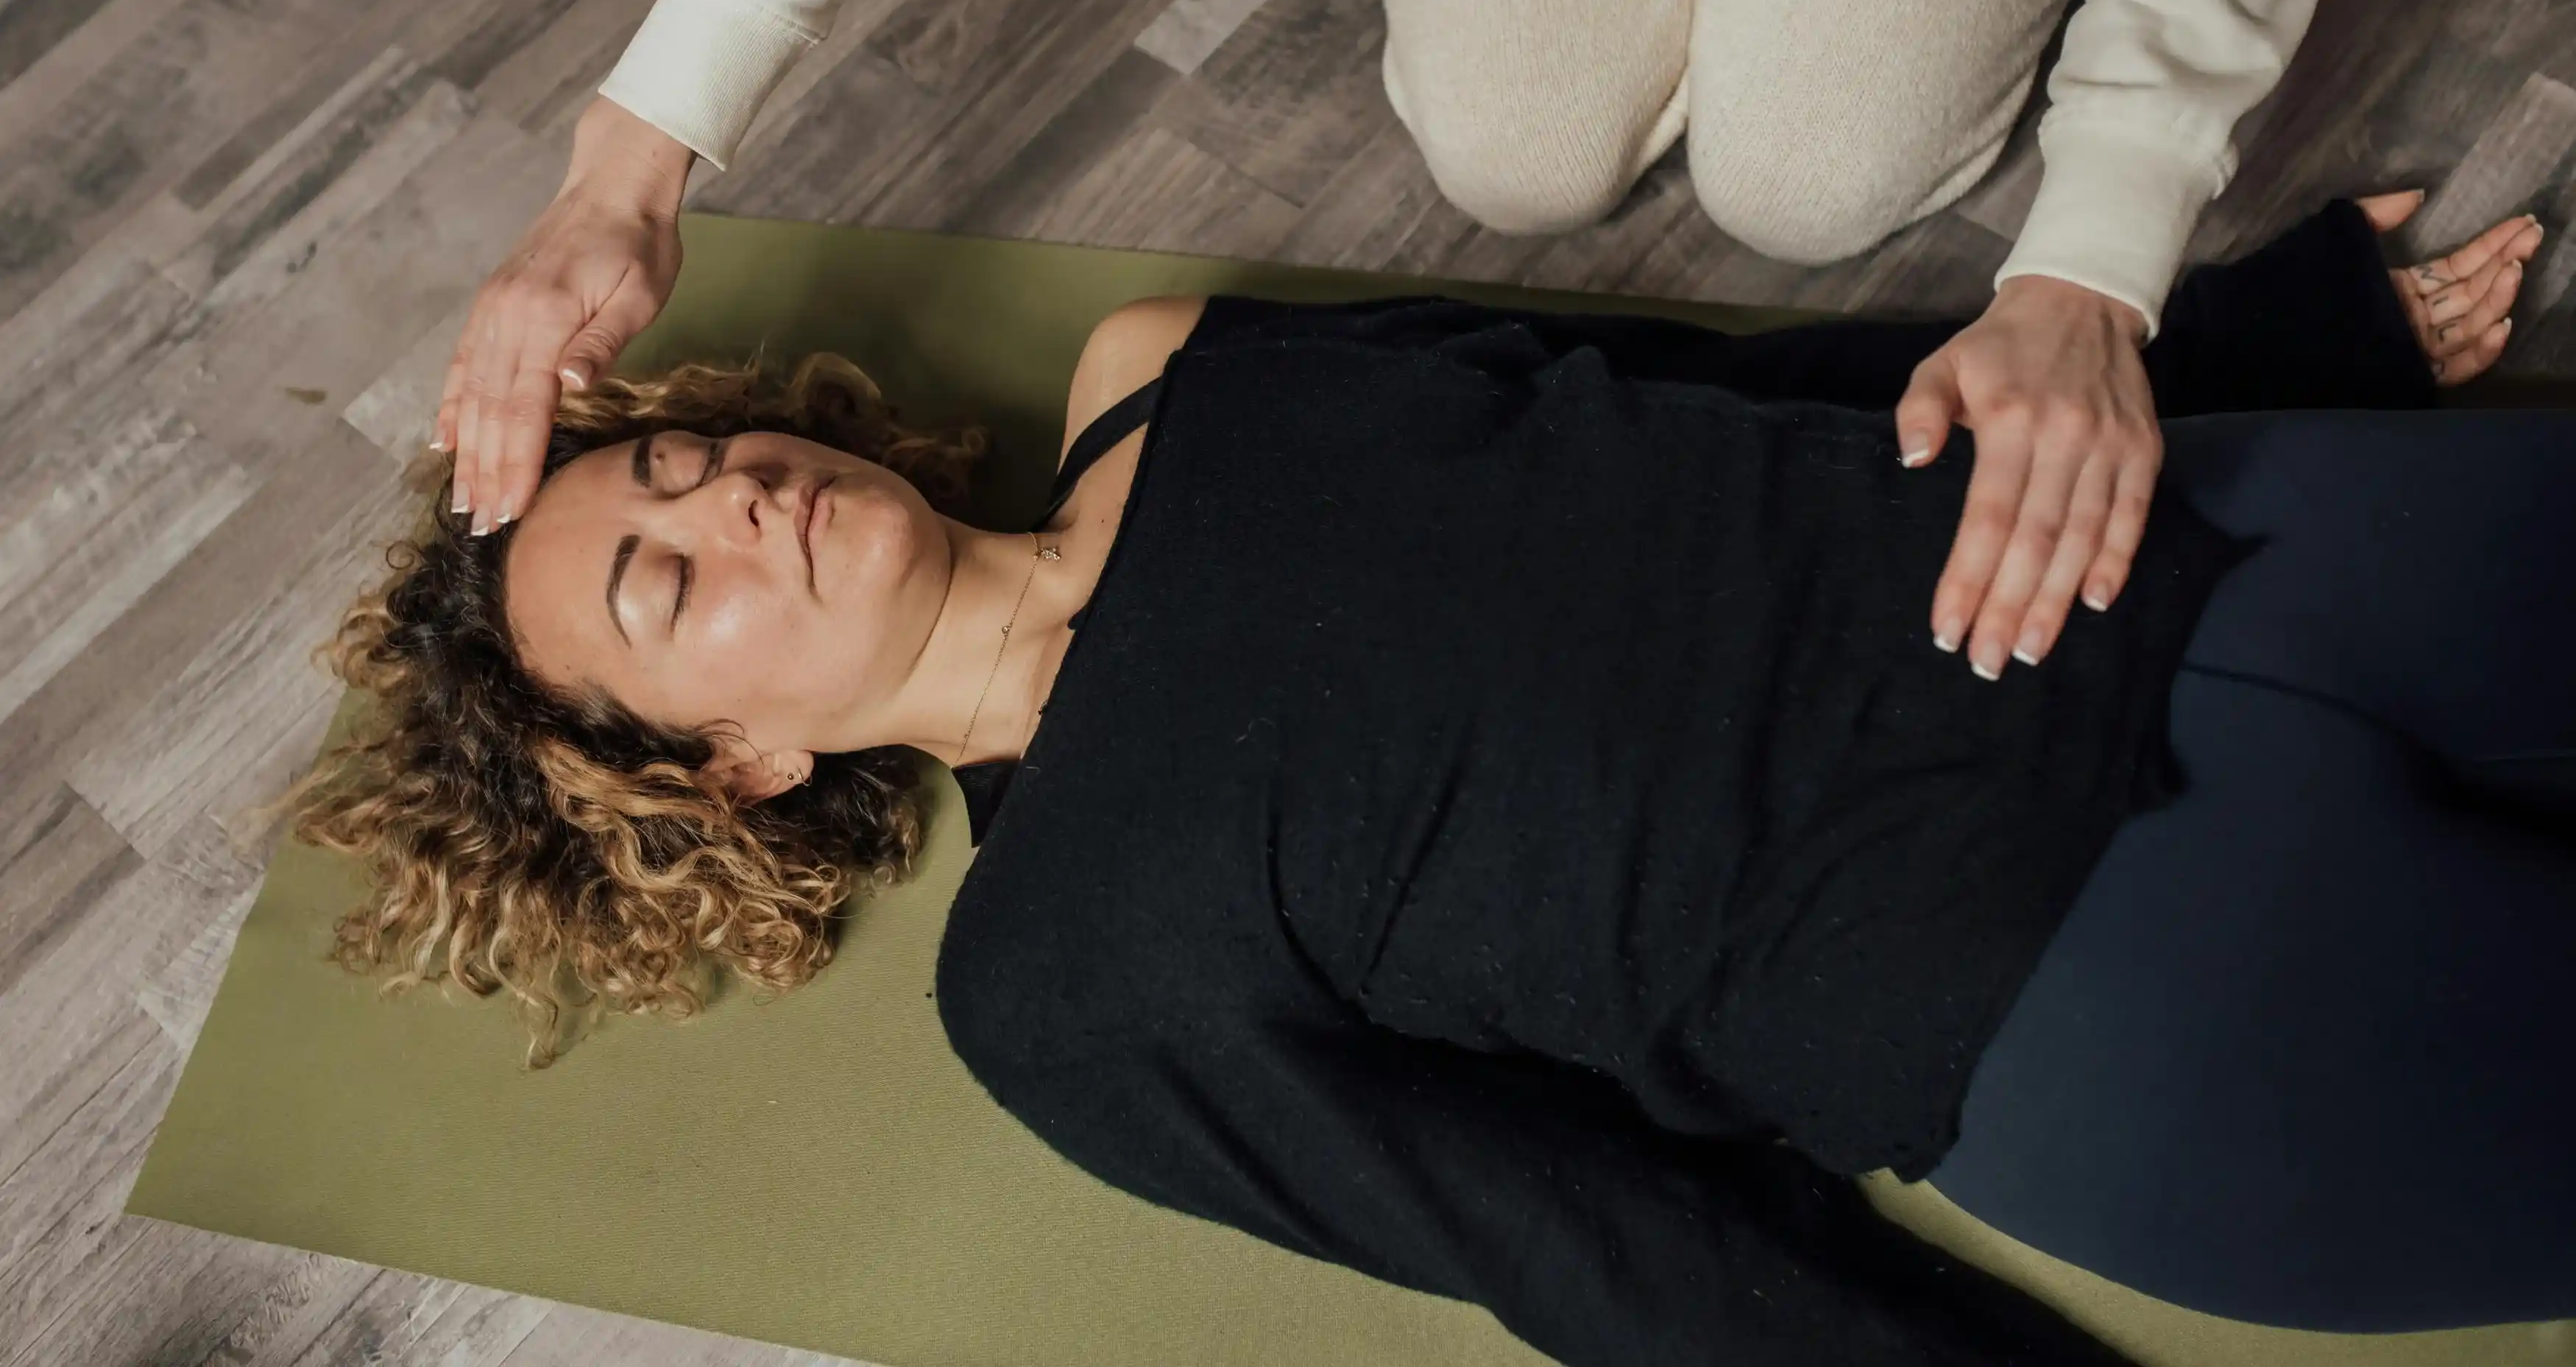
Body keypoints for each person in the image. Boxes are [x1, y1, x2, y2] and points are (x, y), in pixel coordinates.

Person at [290, 191, 2571, 1365]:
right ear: (740, 766)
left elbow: (1725, 391)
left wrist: (2274, 338)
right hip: (2111, 1010)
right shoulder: (1061, 987)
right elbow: (1590, 1245)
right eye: (669, 587)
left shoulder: (1171, 366)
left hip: (2156, 552)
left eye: (682, 459)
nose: (733, 504)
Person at [434, 0, 2403, 689]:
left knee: (1816, 179)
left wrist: (2097, 266)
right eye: (670, 561)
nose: (743, 507)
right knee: (1511, 145)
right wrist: (631, 155)